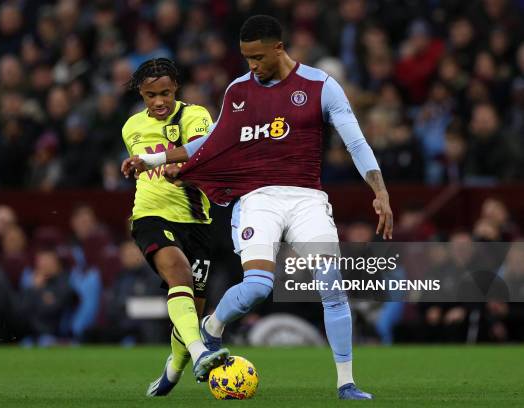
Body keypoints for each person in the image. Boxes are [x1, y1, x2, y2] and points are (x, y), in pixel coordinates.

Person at [122, 16, 394, 400]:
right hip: (257, 199)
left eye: (258, 57)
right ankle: (213, 326)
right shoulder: (239, 91)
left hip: (307, 199)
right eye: (246, 57)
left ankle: (346, 383)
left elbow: (356, 140)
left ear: (279, 49)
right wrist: (152, 161)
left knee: (332, 286)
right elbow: (212, 143)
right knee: (257, 288)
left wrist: (379, 190)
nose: (252, 65)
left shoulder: (320, 86)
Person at [121, 58, 228, 393]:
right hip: (151, 214)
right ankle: (199, 355)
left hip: (196, 221)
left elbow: (203, 154)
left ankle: (174, 367)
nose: (159, 102)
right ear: (142, 93)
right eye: (151, 95)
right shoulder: (131, 128)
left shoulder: (195, 116)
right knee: (178, 274)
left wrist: (183, 171)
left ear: (176, 89)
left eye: (165, 93)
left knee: (193, 312)